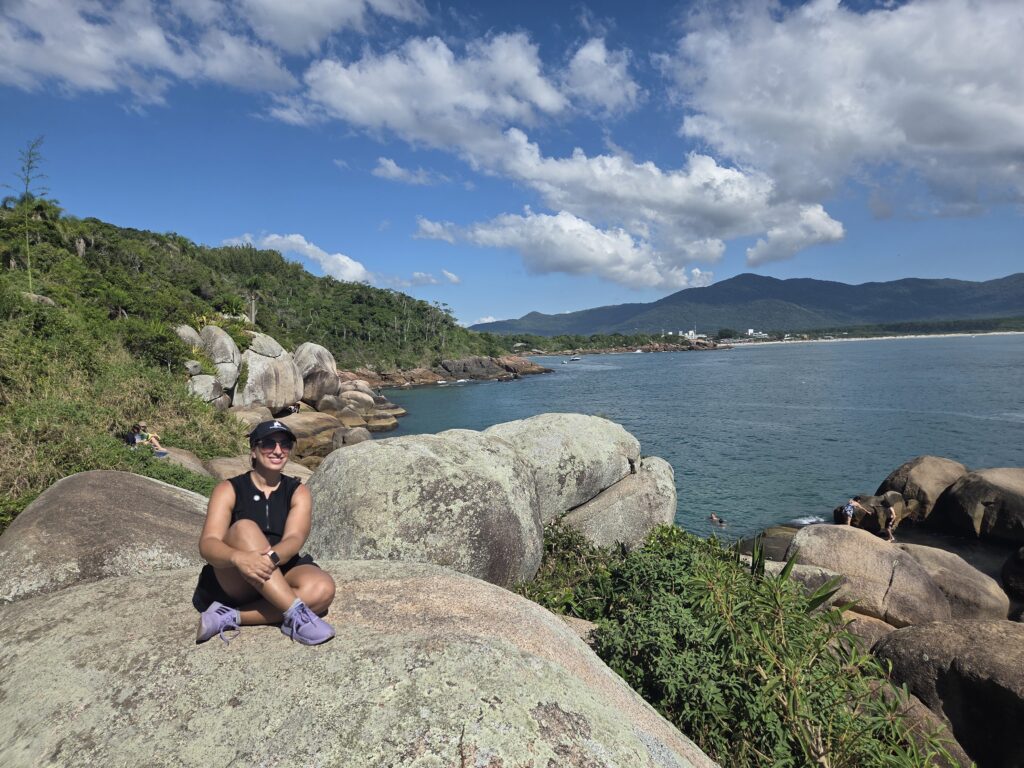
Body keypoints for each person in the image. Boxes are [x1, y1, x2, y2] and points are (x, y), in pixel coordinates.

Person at [192, 420, 337, 645]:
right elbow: (208, 544)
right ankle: (296, 613)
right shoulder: (228, 489)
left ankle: (231, 615)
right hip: (237, 575)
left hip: (278, 565)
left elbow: (295, 538)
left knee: (322, 589)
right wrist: (238, 558)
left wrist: (270, 559)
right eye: (269, 444)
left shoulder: (297, 491)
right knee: (245, 528)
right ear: (253, 450)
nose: (278, 451)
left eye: (285, 444)